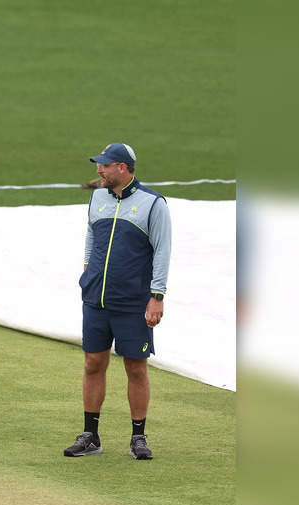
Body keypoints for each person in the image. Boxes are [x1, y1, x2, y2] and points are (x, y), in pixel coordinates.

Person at [64, 143, 172, 460]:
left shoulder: (154, 204)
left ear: (122, 168)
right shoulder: (97, 196)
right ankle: (91, 435)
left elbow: (163, 251)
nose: (99, 170)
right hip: (96, 297)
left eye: (105, 165)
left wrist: (157, 297)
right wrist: (87, 270)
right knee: (93, 363)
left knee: (135, 368)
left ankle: (138, 436)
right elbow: (91, 235)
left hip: (133, 302)